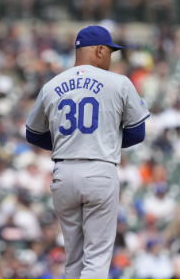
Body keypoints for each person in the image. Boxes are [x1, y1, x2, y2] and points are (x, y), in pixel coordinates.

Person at [26, 26, 150, 278]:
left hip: (63, 174)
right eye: (111, 52)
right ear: (100, 50)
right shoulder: (119, 82)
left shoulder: (52, 85)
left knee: (74, 260)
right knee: (96, 259)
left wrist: (70, 143)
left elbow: (33, 133)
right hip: (99, 171)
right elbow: (138, 132)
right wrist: (100, 141)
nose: (111, 57)